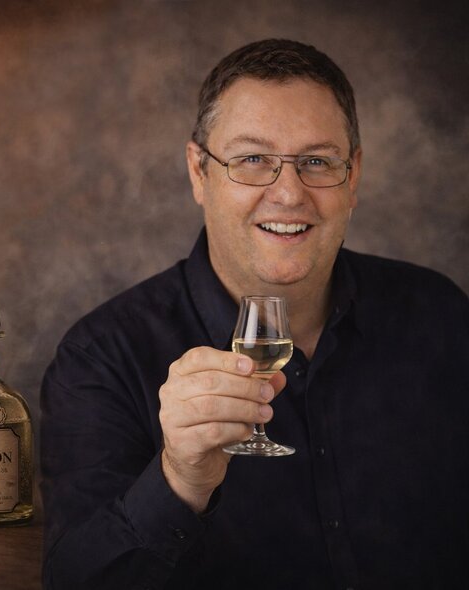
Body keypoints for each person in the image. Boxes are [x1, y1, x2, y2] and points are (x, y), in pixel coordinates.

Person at [40, 39, 469, 590]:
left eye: (317, 161)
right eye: (252, 160)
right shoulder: (101, 359)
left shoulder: (440, 315)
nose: (288, 193)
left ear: (353, 176)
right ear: (199, 172)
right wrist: (180, 481)